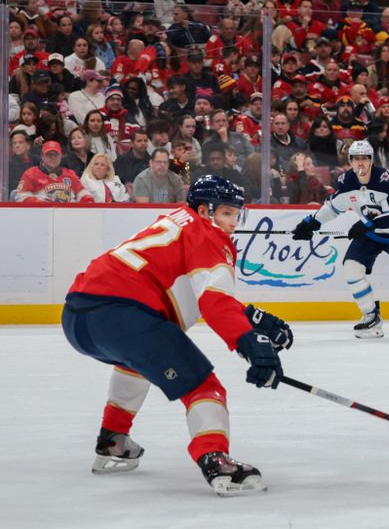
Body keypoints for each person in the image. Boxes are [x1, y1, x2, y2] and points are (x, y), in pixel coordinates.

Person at [61, 175, 292, 496]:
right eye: (226, 213)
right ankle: (215, 460)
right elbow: (213, 300)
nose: (233, 223)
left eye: (236, 214)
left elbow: (190, 285)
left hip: (77, 316)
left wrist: (252, 316)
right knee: (203, 386)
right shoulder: (209, 236)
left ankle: (113, 439)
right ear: (204, 210)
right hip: (125, 315)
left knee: (137, 363)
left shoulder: (176, 221)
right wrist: (251, 343)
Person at [291, 140, 389, 338]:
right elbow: (334, 207)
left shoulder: (384, 180)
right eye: (356, 159)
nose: (360, 163)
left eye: (364, 159)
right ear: (350, 161)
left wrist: (367, 225)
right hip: (372, 235)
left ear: (371, 161)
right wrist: (311, 223)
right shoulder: (346, 181)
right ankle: (371, 317)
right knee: (351, 268)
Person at [15, 140, 94, 203]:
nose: (53, 157)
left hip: (68, 215)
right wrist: (40, 204)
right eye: (49, 154)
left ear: (61, 156)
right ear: (42, 156)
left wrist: (87, 200)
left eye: (55, 154)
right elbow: (21, 196)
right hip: (42, 216)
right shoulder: (31, 173)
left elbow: (82, 192)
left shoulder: (70, 174)